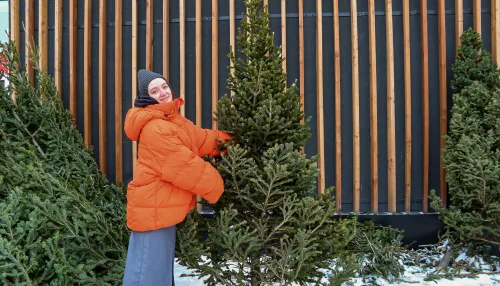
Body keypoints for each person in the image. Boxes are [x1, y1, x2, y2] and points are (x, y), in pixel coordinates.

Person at [122, 69, 232, 285]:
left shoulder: (173, 121)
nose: (162, 92)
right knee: (147, 276)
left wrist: (235, 142)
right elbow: (185, 166)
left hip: (162, 211)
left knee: (158, 274)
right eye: (155, 90)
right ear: (146, 98)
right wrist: (222, 187)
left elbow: (203, 139)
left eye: (164, 86)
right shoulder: (155, 128)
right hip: (152, 213)